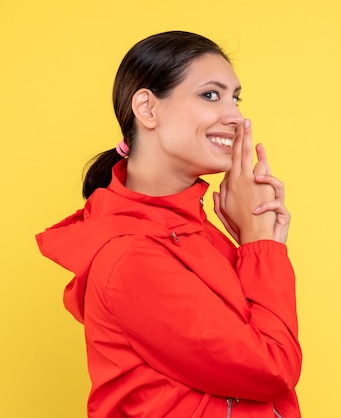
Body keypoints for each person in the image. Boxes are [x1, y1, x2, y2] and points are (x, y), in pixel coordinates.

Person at [36, 31, 302, 417]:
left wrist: (252, 238)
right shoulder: (131, 257)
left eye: (235, 97)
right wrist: (261, 246)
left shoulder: (198, 234)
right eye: (211, 95)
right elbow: (272, 368)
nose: (235, 116)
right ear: (147, 108)